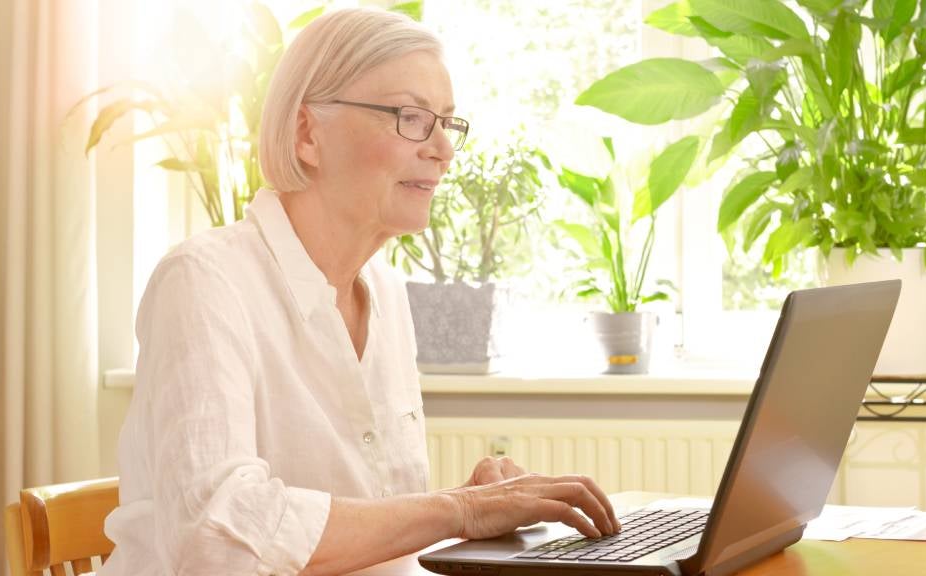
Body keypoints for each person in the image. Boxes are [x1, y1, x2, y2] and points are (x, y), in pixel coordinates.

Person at [99, 8, 620, 576]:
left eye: (448, 122)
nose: (443, 149)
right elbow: (219, 536)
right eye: (410, 117)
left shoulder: (388, 293)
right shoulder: (204, 282)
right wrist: (458, 511)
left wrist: (473, 505)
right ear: (307, 135)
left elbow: (356, 524)